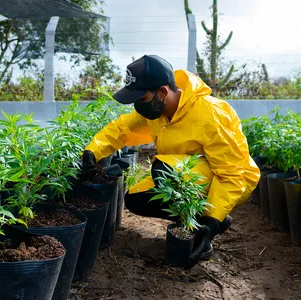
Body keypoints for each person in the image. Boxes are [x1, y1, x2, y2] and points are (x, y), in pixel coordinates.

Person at [81, 54, 261, 265]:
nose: (138, 106)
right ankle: (197, 224)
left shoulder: (210, 114)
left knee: (163, 170)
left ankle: (207, 225)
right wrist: (93, 151)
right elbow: (123, 128)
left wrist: (211, 221)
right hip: (187, 175)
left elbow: (232, 173)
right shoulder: (158, 110)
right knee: (135, 199)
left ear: (163, 91)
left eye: (141, 99)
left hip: (234, 179)